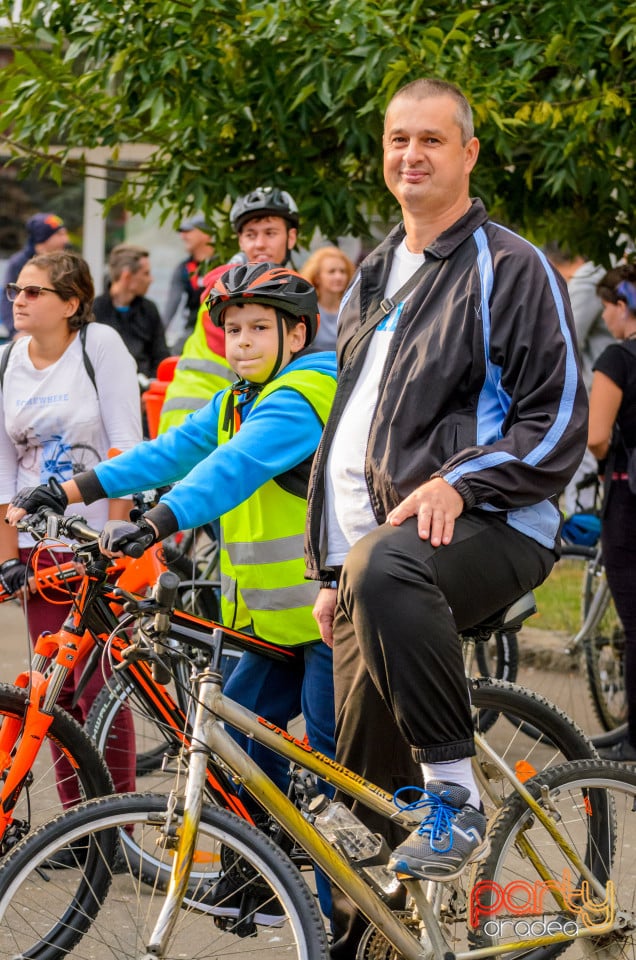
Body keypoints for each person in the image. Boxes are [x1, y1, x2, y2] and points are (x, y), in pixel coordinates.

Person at [305, 77, 588, 957]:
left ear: (467, 154)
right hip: (378, 561)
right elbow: (354, 432)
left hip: (498, 526)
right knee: (361, 797)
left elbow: (559, 418)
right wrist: (335, 569)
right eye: (398, 140)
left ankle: (457, 793)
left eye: (432, 139)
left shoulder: (509, 263)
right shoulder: (373, 276)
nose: (411, 155)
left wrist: (463, 484)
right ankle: (377, 941)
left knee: (391, 572)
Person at [8, 261, 338, 918]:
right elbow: (168, 452)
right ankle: (259, 884)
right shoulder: (236, 399)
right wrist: (70, 489)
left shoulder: (305, 393)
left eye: (257, 329)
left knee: (337, 784)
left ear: (296, 335)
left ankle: (340, 915)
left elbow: (230, 470)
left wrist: (153, 522)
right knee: (237, 750)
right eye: (232, 329)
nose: (240, 341)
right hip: (273, 627)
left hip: (332, 620)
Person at [0, 249, 142, 801]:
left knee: (102, 690)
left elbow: (126, 447)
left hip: (98, 545)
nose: (19, 300)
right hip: (40, 553)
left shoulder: (98, 345)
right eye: (16, 290)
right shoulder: (8, 360)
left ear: (72, 303)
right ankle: (76, 824)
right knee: (52, 693)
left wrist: (118, 538)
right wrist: (10, 557)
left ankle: (118, 818)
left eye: (33, 292)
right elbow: (4, 471)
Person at [158, 186, 300, 434]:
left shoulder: (273, 288)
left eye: (270, 233)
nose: (259, 244)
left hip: (219, 419)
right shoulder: (232, 290)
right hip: (199, 425)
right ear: (240, 240)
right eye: (250, 234)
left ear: (291, 238)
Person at [587, 263, 636, 762]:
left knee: (634, 623)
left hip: (629, 498)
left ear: (622, 305)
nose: (605, 317)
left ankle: (634, 739)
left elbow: (596, 435)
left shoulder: (618, 358)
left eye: (607, 307)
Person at [545, 243, 613, 517]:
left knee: (585, 450)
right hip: (604, 382)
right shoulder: (599, 269)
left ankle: (580, 529)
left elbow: (564, 336)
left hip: (600, 387)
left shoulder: (587, 279)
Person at [92, 243, 170, 387]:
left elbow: (161, 356)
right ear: (127, 276)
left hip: (145, 394)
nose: (151, 279)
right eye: (145, 273)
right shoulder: (94, 311)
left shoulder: (149, 309)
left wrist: (149, 392)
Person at [1, 213, 69, 341]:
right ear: (43, 238)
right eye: (59, 234)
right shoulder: (18, 263)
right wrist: (15, 332)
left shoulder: (66, 264)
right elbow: (7, 299)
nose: (66, 240)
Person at [163, 212, 218, 353]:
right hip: (193, 330)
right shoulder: (183, 269)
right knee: (174, 354)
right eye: (182, 232)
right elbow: (171, 306)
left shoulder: (225, 263)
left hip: (222, 329)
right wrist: (157, 336)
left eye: (188, 231)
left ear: (206, 234)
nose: (183, 236)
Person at [300, 245, 356, 352]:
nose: (338, 277)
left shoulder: (354, 310)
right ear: (317, 278)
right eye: (332, 271)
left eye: (343, 271)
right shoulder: (306, 312)